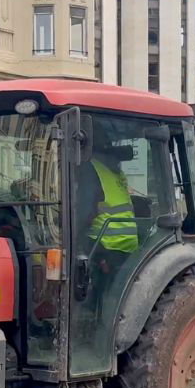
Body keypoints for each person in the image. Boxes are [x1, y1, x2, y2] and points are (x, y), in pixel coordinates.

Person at [76, 127, 139, 315]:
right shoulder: (115, 173)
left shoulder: (91, 170)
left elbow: (85, 213)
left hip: (104, 246)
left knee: (86, 291)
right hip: (127, 246)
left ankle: (88, 327)